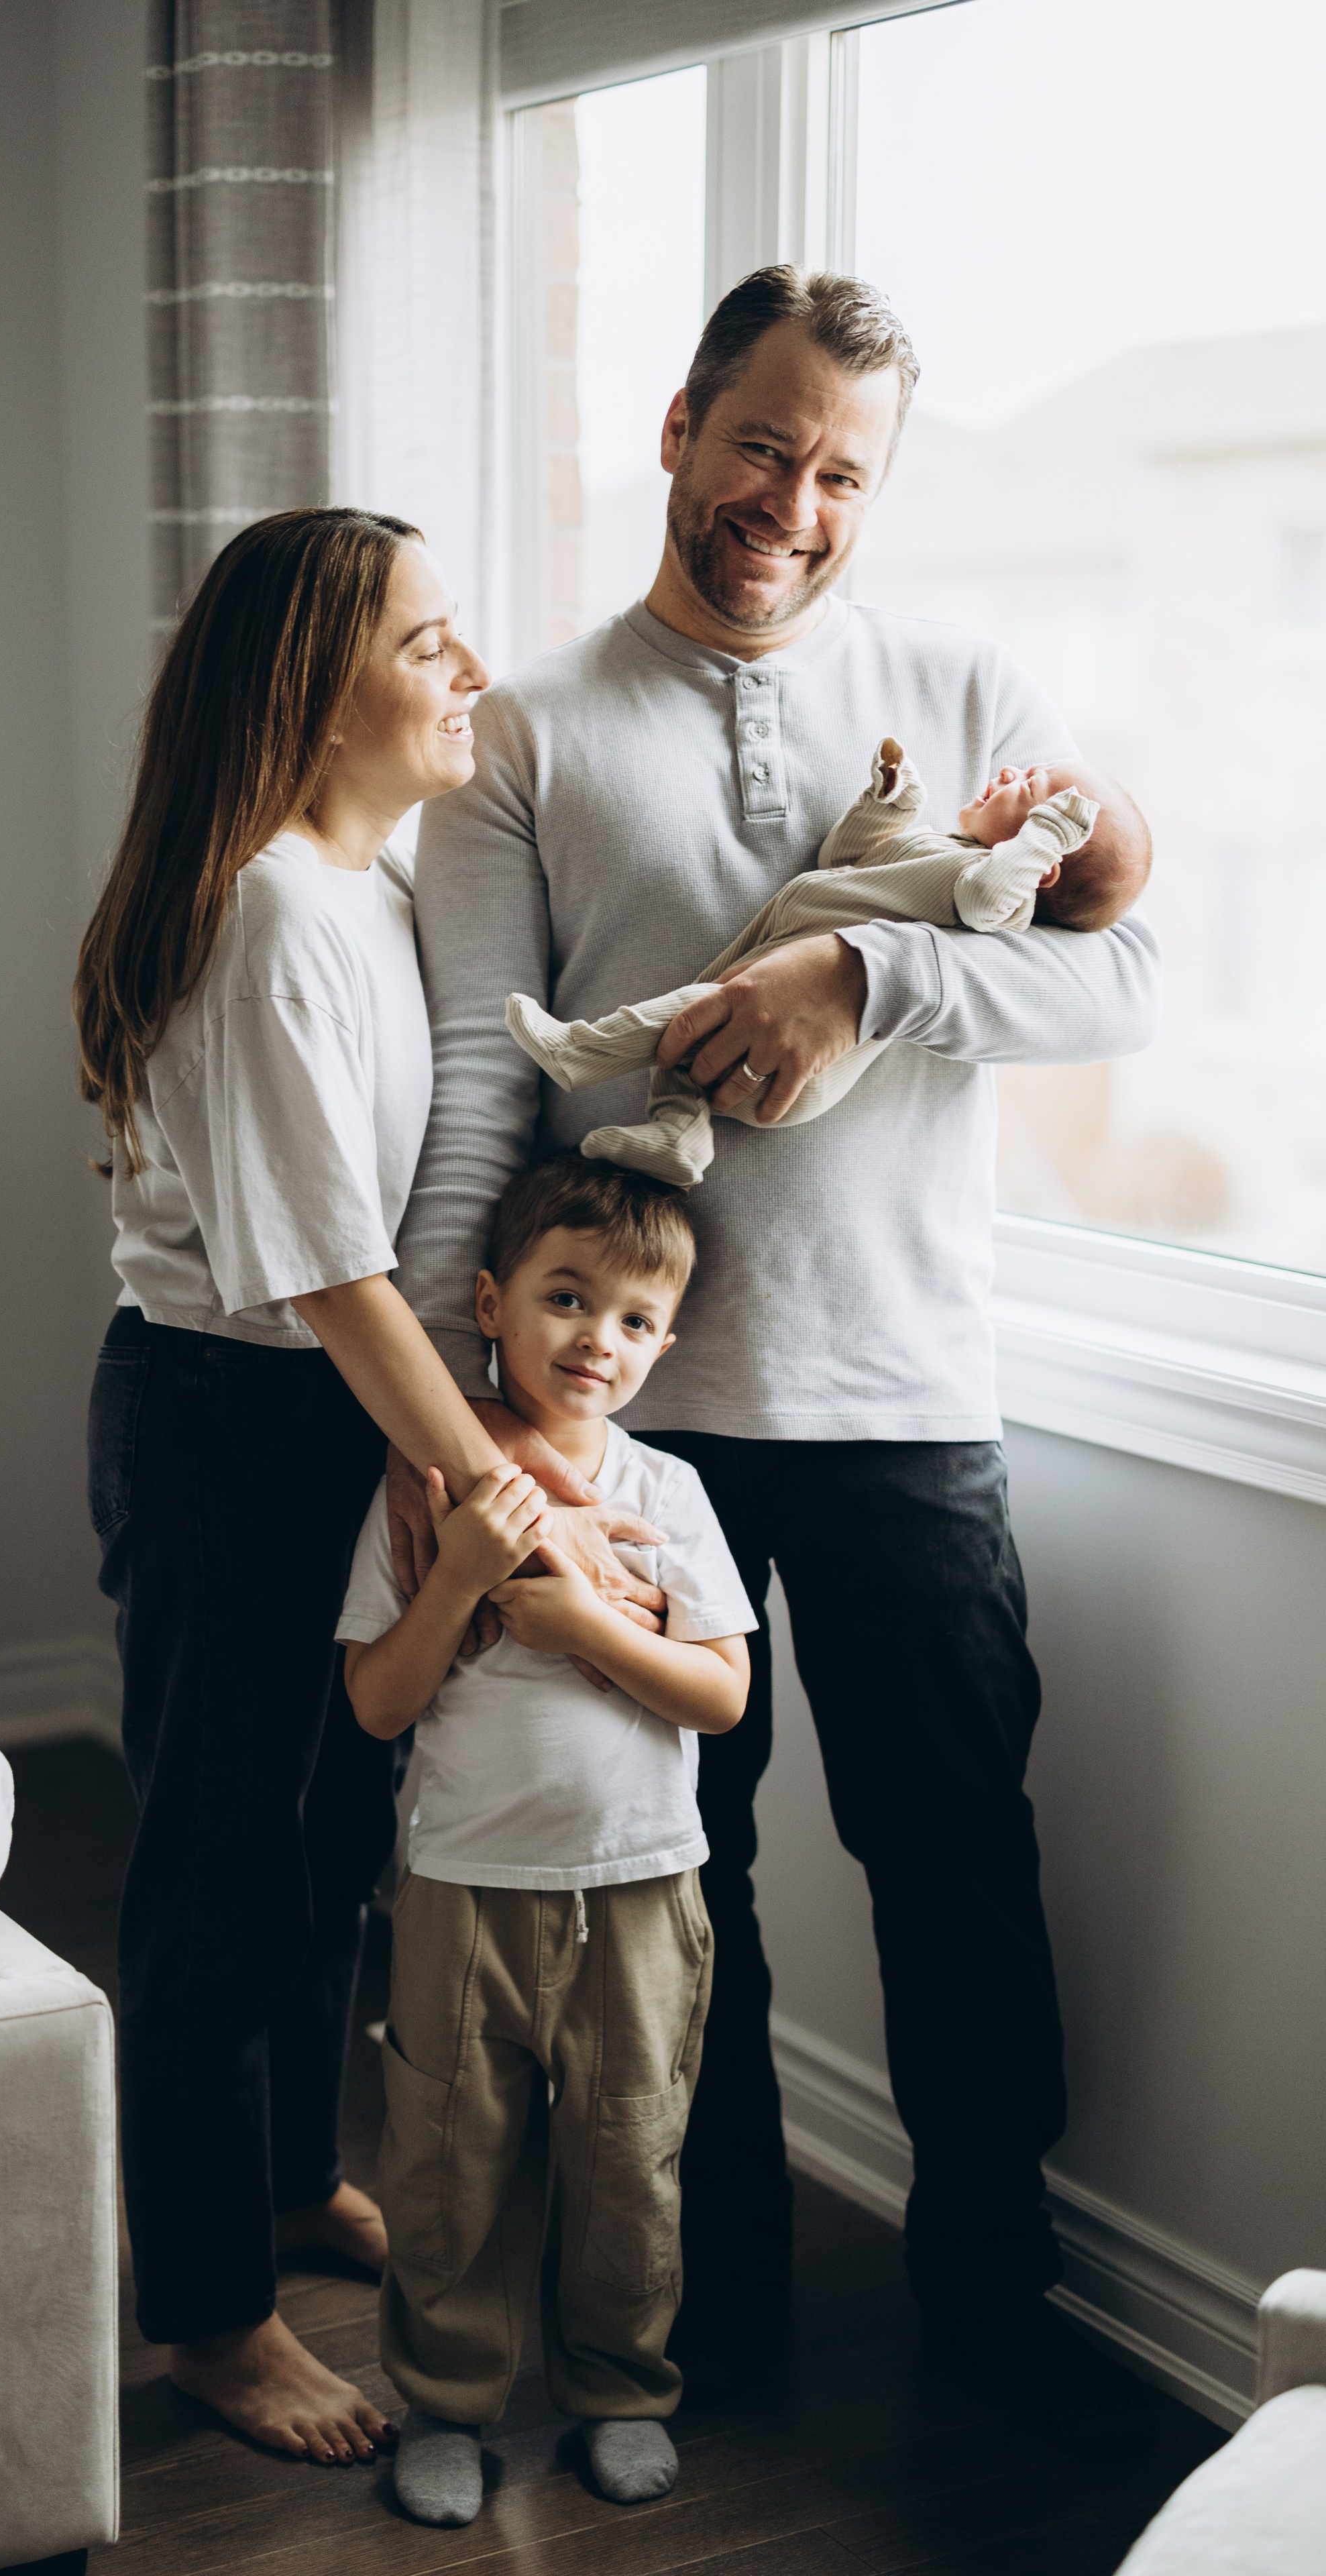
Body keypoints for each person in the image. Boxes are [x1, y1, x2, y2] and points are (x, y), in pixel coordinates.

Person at [390, 266, 1162, 2454]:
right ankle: (700, 2309)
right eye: (762, 443)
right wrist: (455, 1440)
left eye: (840, 472)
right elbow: (479, 1093)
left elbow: (1121, 986)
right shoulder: (524, 730)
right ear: (677, 425)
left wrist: (866, 984)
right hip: (635, 1441)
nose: (790, 503)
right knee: (670, 1903)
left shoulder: (965, 686)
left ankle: (990, 2303)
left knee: (956, 1866)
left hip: (914, 1407)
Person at [72, 507, 664, 2467]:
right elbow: (325, 1272)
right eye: (429, 641)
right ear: (312, 685)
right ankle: (209, 2317)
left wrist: (420, 1439)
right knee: (214, 1867)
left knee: (316, 1849)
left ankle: (261, 2185)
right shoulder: (262, 914)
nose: (467, 672)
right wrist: (501, 1476)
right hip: (231, 1422)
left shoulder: (353, 891)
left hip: (319, 1409)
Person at [337, 1155, 755, 2526]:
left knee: (628, 2158)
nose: (598, 1339)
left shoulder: (671, 1494)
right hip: (465, 1891)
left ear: (665, 1344)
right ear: (488, 1304)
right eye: (566, 1299)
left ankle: (620, 2389)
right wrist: (460, 1575)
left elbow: (723, 1692)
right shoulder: (423, 1484)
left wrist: (586, 1629)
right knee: (445, 2161)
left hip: (641, 1891)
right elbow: (375, 1703)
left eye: (635, 1320)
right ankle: (446, 2405)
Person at [506, 737, 1150, 1183]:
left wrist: (863, 978)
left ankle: (582, 1052)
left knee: (691, 1015)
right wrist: (887, 803)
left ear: (1043, 863)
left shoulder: (994, 892)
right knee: (687, 1046)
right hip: (769, 956)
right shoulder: (943, 848)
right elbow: (844, 860)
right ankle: (677, 1139)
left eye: (1031, 792)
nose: (1009, 773)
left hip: (795, 1063)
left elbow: (993, 903)